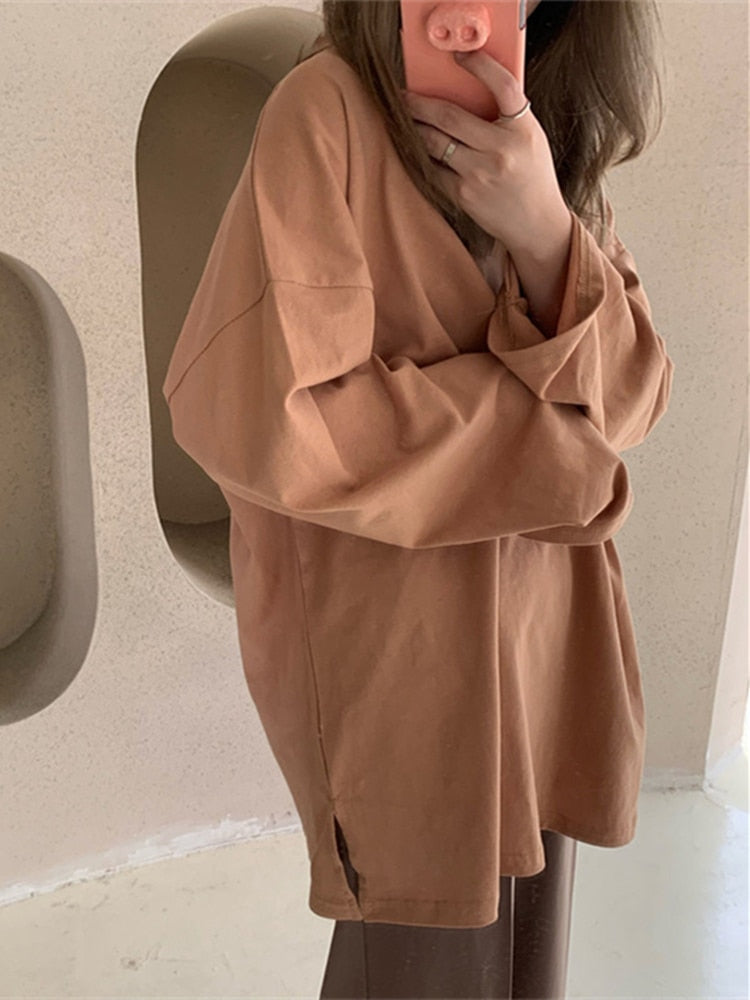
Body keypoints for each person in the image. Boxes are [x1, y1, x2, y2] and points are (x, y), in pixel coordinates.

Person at [162, 1, 674, 996]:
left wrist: (544, 233)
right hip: (396, 635)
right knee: (417, 951)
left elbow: (632, 397)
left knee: (522, 947)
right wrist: (549, 445)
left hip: (547, 621)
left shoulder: (548, 121)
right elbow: (284, 422)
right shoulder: (323, 111)